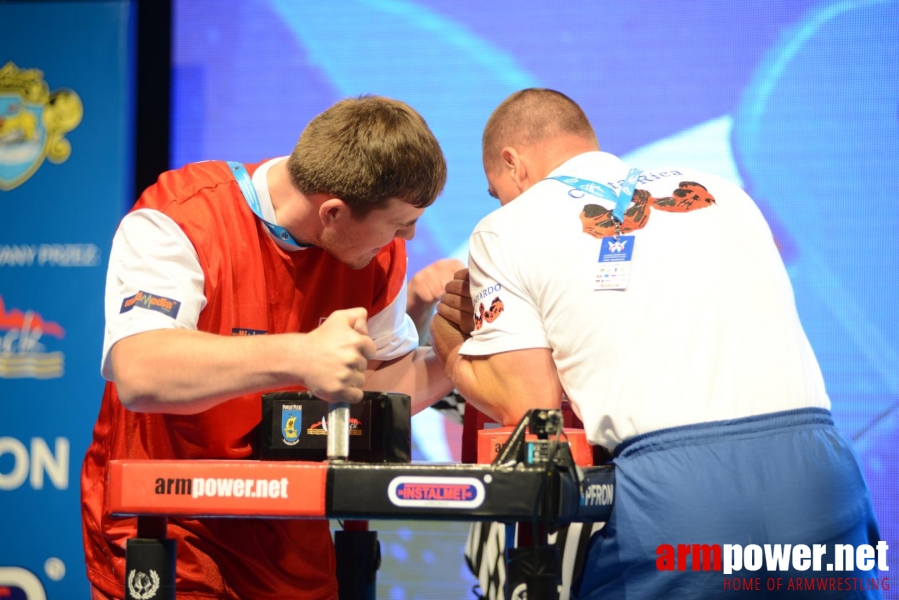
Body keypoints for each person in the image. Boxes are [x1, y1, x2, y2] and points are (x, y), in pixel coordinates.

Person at [430, 88, 882, 598]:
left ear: (512, 164)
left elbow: (527, 405)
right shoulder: (721, 189)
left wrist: (449, 343)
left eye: (498, 190)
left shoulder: (506, 228)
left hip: (680, 496)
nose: (505, 202)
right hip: (821, 477)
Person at [81, 95, 455, 600]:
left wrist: (459, 355)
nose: (410, 234)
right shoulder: (180, 217)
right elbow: (139, 372)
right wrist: (299, 354)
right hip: (168, 524)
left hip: (290, 531)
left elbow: (373, 391)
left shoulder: (379, 255)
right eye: (401, 221)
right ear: (334, 213)